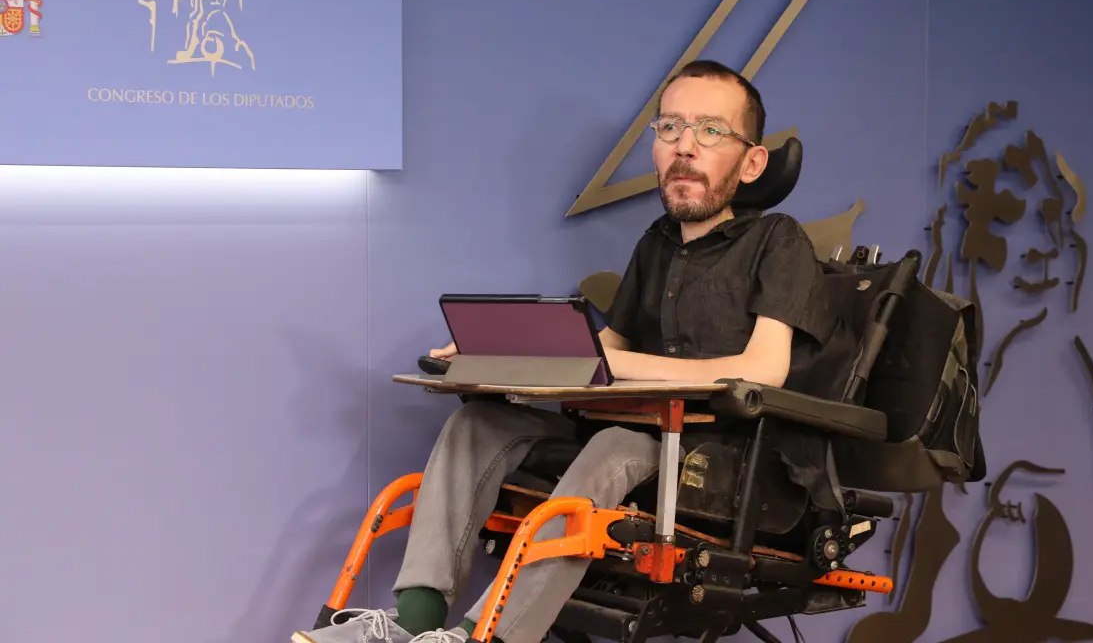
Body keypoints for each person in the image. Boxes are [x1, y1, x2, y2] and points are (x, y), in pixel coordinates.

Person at [293, 60, 837, 643]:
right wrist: (497, 351)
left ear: (752, 162)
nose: (685, 146)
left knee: (614, 445)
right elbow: (605, 347)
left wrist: (618, 365)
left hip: (728, 464)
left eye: (710, 130)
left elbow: (764, 370)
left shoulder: (779, 240)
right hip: (639, 436)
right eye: (670, 127)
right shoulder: (657, 245)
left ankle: (487, 636)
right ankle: (414, 623)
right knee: (476, 424)